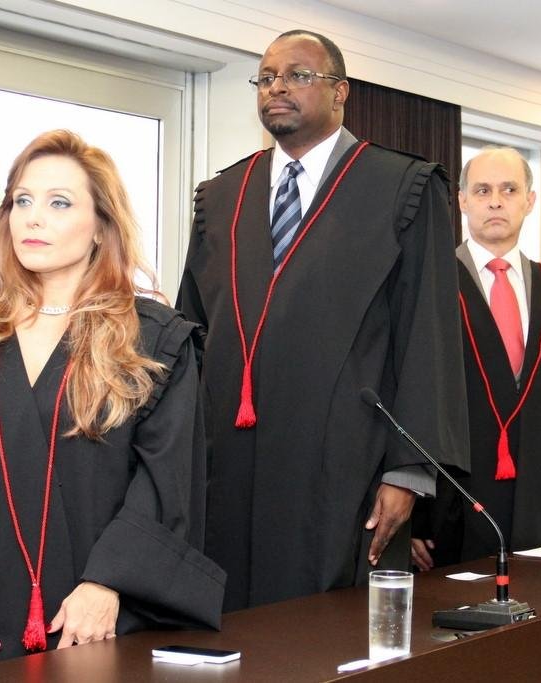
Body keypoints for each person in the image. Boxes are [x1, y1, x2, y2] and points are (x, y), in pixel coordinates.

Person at [0, 130, 224, 675]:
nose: (33, 218)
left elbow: (167, 480)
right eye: (22, 201)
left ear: (101, 226)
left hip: (102, 623)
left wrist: (109, 583)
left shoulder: (153, 345)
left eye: (59, 203)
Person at [177, 30, 467, 611]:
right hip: (230, 464)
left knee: (326, 631)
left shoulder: (401, 187)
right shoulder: (222, 195)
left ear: (341, 92)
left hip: (346, 465)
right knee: (232, 624)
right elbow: (195, 328)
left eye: (298, 75)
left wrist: (408, 472)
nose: (277, 87)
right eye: (266, 78)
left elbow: (428, 336)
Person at [410, 148, 541, 569]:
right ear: (462, 200)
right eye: (482, 190)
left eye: (509, 190)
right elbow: (406, 401)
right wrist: (413, 518)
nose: (496, 202)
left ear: (529, 201)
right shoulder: (427, 285)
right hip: (448, 516)